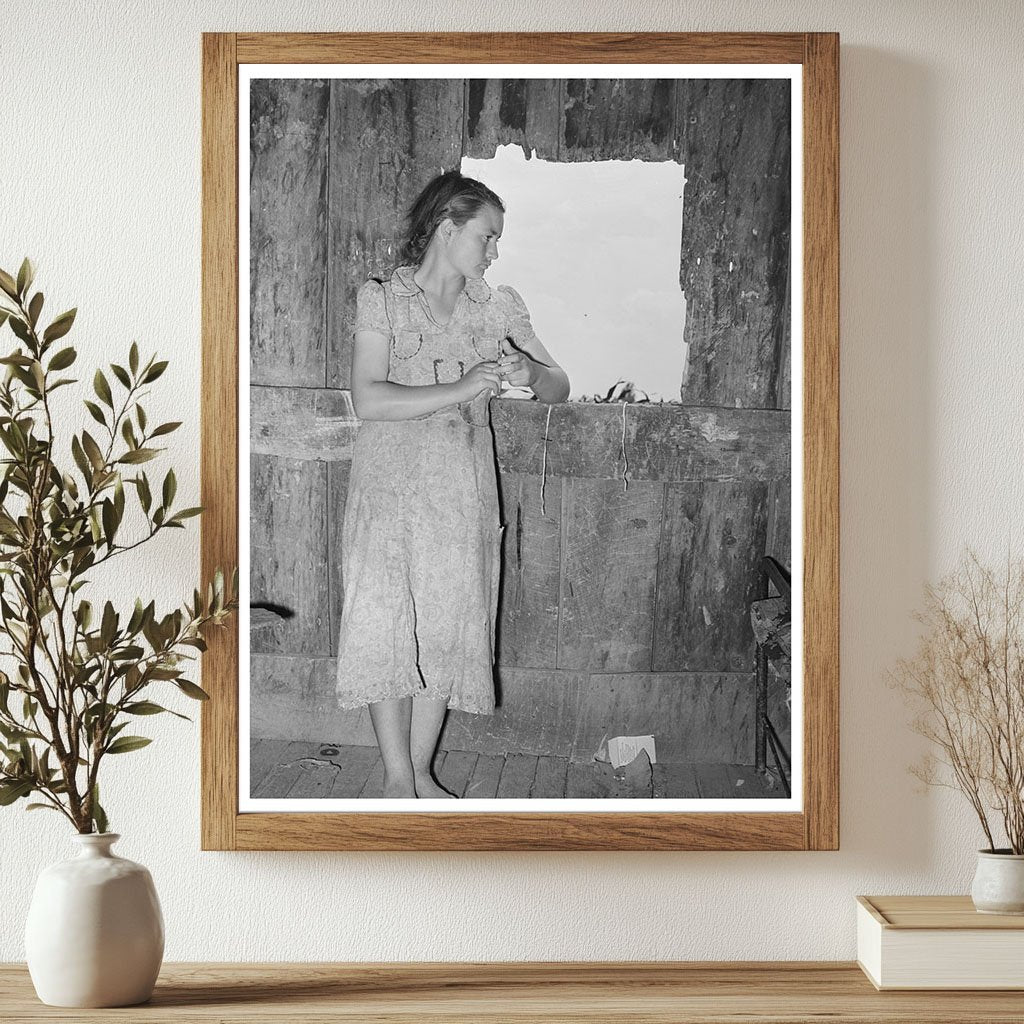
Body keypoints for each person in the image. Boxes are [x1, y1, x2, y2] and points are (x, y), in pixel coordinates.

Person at [335, 170, 570, 798]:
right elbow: (369, 399)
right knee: (384, 622)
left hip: (460, 492)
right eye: (487, 237)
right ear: (447, 229)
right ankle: (394, 780)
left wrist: (530, 369)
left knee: (447, 623)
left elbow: (559, 385)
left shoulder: (498, 307)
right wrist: (463, 386)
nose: (495, 252)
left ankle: (420, 773)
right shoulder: (381, 298)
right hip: (387, 490)